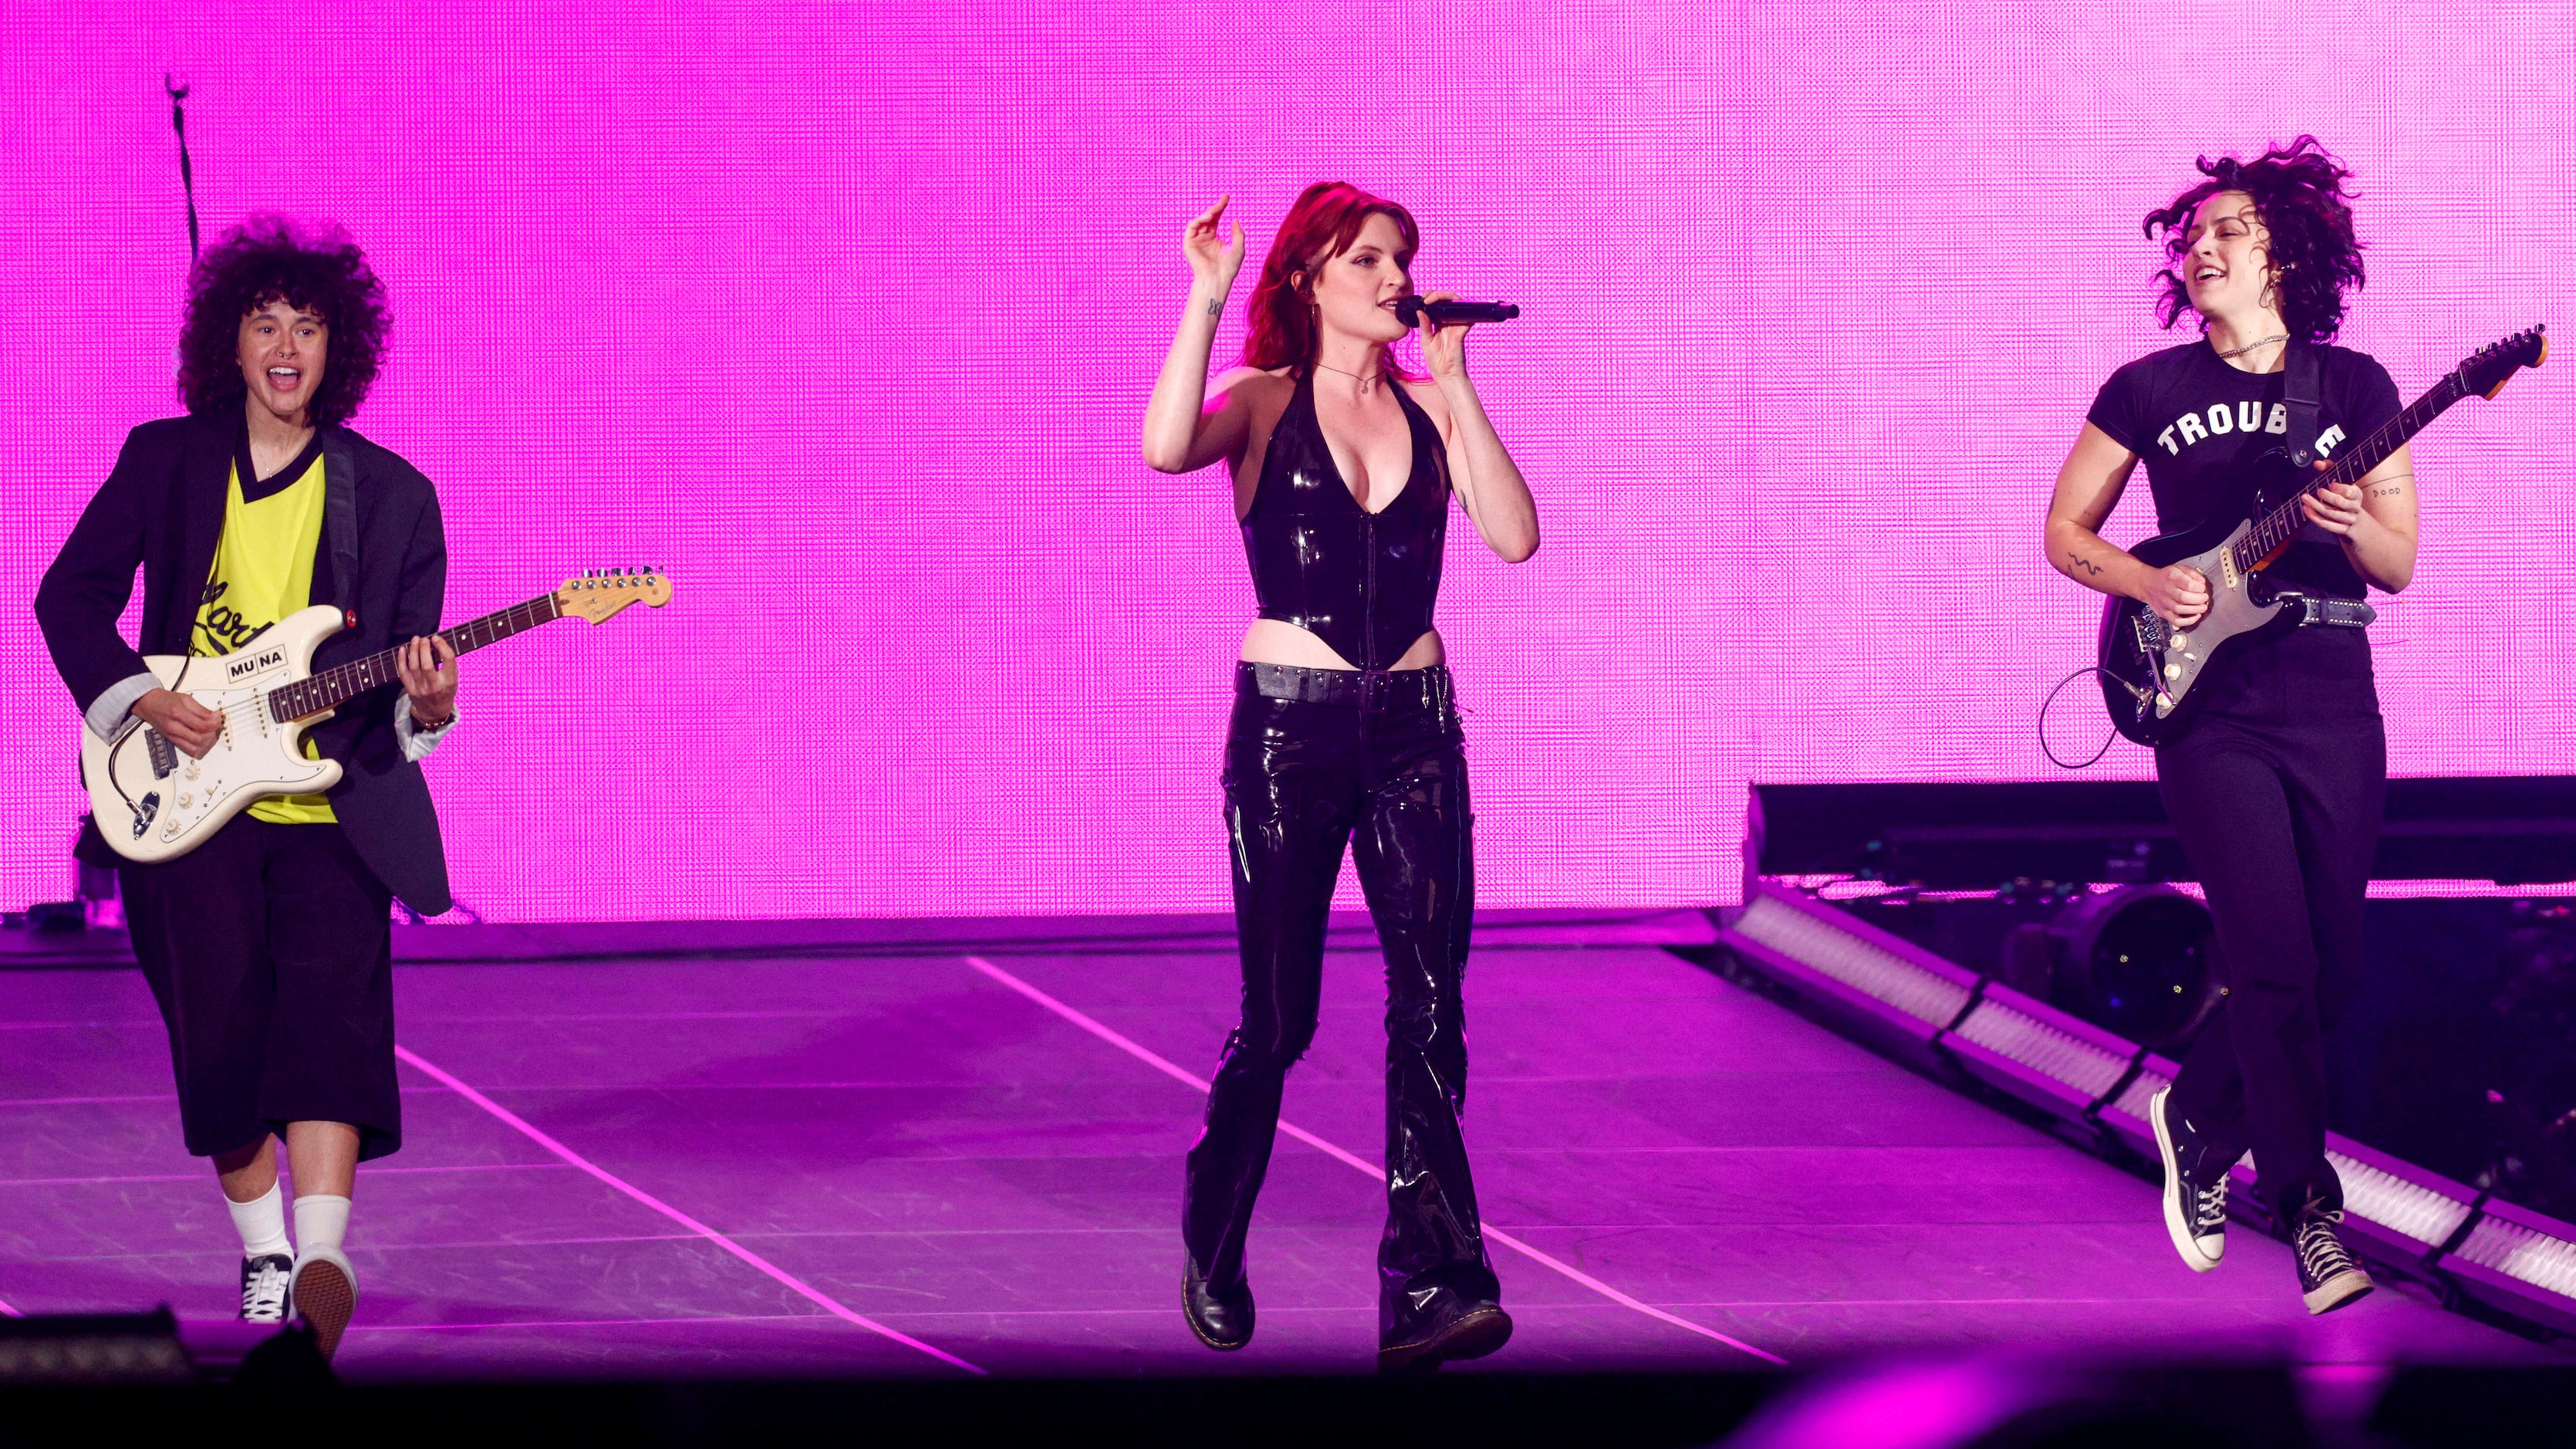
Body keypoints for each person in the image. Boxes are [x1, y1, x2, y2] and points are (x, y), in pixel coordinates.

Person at [36, 214, 461, 1358]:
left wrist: (430, 703)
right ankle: (265, 1251)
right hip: (183, 800)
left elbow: (409, 688)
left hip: (330, 805)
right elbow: (65, 599)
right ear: (228, 342)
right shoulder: (163, 459)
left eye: (308, 328)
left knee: (326, 1028)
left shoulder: (396, 497)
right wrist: (137, 696)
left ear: (339, 350)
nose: (285, 347)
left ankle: (322, 1270)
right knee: (221, 1040)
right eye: (265, 324)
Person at [1141, 182, 1540, 1370]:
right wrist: (1206, 298)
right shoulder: (1264, 400)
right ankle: (1214, 1238)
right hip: (1290, 730)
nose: (1392, 276)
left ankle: (1432, 1283)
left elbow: (1514, 535)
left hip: (1417, 727)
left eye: (1402, 258)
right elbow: (1166, 447)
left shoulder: (1429, 410)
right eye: (1366, 258)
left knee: (1430, 1002)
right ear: (1312, 279)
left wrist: (1460, 379)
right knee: (1281, 1014)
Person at [2044, 138, 2416, 1315]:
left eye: (2230, 230)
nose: (2202, 247)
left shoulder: (2351, 388)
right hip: (2208, 705)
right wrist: (2150, 585)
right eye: (2193, 234)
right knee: (2270, 955)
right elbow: (2065, 531)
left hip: (2330, 689)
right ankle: (2307, 1215)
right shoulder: (2147, 389)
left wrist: (2353, 521)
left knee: (2332, 967)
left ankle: (2198, 1116)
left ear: (2286, 255)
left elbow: (2398, 565)